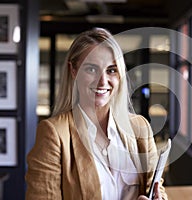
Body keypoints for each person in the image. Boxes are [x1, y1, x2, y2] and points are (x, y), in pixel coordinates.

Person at [25, 28, 168, 200]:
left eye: (111, 70)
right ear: (74, 71)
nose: (103, 81)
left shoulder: (139, 127)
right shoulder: (54, 134)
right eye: (92, 69)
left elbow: (157, 188)